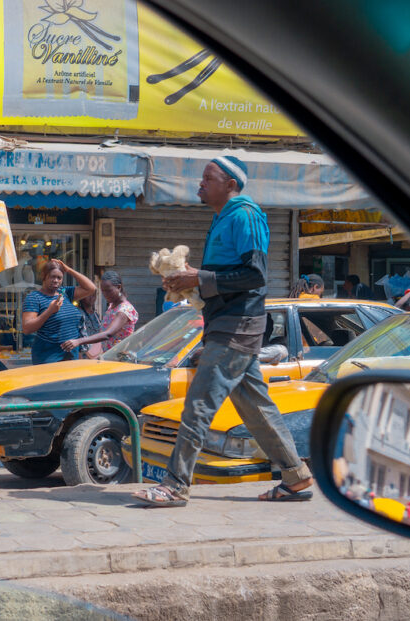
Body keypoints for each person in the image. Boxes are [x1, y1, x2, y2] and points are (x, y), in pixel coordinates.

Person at [133, 155, 313, 507]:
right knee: (256, 407)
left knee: (198, 405)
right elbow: (229, 277)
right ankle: (295, 474)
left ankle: (174, 485)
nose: (199, 184)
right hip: (229, 324)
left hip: (236, 327)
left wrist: (197, 277)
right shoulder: (223, 218)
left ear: (230, 184)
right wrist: (190, 277)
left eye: (207, 178)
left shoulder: (244, 214)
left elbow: (256, 276)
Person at [21, 259, 96, 364]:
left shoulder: (64, 293)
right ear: (44, 276)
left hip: (70, 354)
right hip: (48, 355)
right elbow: (27, 328)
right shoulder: (34, 297)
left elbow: (91, 288)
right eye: (52, 276)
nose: (56, 280)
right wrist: (49, 311)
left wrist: (68, 269)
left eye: (59, 278)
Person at [62, 271, 138, 356]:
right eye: (103, 291)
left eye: (109, 291)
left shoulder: (124, 310)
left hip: (120, 359)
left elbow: (108, 334)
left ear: (119, 287)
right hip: (110, 357)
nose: (105, 295)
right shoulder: (112, 306)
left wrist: (78, 341)